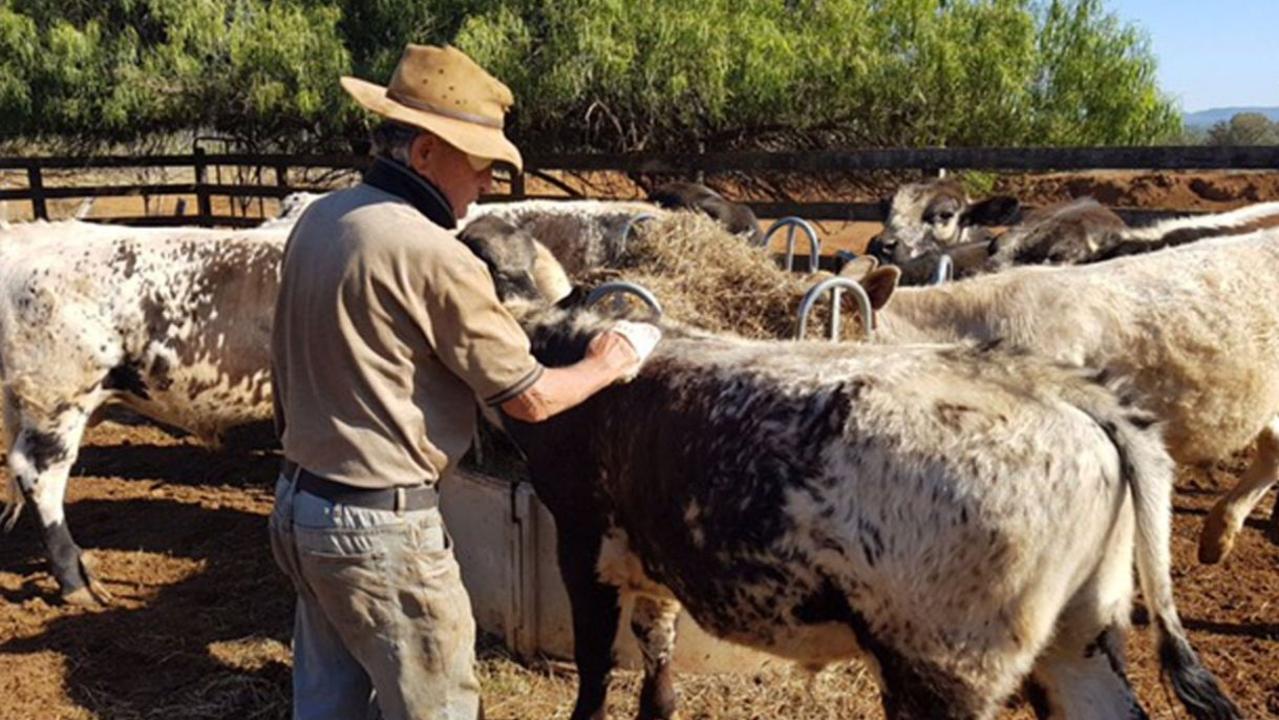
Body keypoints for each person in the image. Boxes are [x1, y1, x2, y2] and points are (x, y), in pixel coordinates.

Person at [268, 44, 653, 720]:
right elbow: (530, 397)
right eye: (479, 164)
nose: (486, 185)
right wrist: (612, 358)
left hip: (300, 504)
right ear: (423, 154)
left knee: (328, 705)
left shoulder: (320, 220)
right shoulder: (432, 254)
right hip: (379, 529)